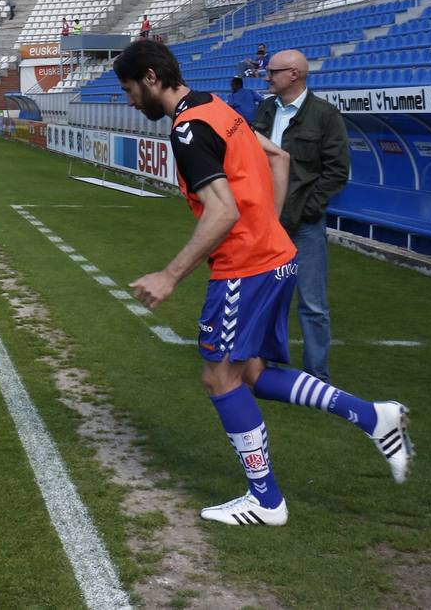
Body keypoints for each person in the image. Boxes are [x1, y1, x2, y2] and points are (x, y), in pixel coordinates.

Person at [114, 41, 412, 527]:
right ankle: (374, 417)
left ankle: (266, 500)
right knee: (250, 374)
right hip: (275, 258)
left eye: (129, 89)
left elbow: (223, 210)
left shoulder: (189, 130)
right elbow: (279, 159)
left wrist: (170, 275)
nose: (129, 100)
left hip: (244, 268)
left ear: (150, 78)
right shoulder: (216, 105)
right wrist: (268, 229)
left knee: (219, 378)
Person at [253, 50, 350, 382]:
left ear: (294, 74)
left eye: (273, 71)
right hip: (266, 224)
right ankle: (265, 369)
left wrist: (307, 208)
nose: (267, 77)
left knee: (313, 304)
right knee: (267, 299)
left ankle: (316, 377)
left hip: (304, 225)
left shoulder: (325, 115)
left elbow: (336, 172)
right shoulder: (265, 109)